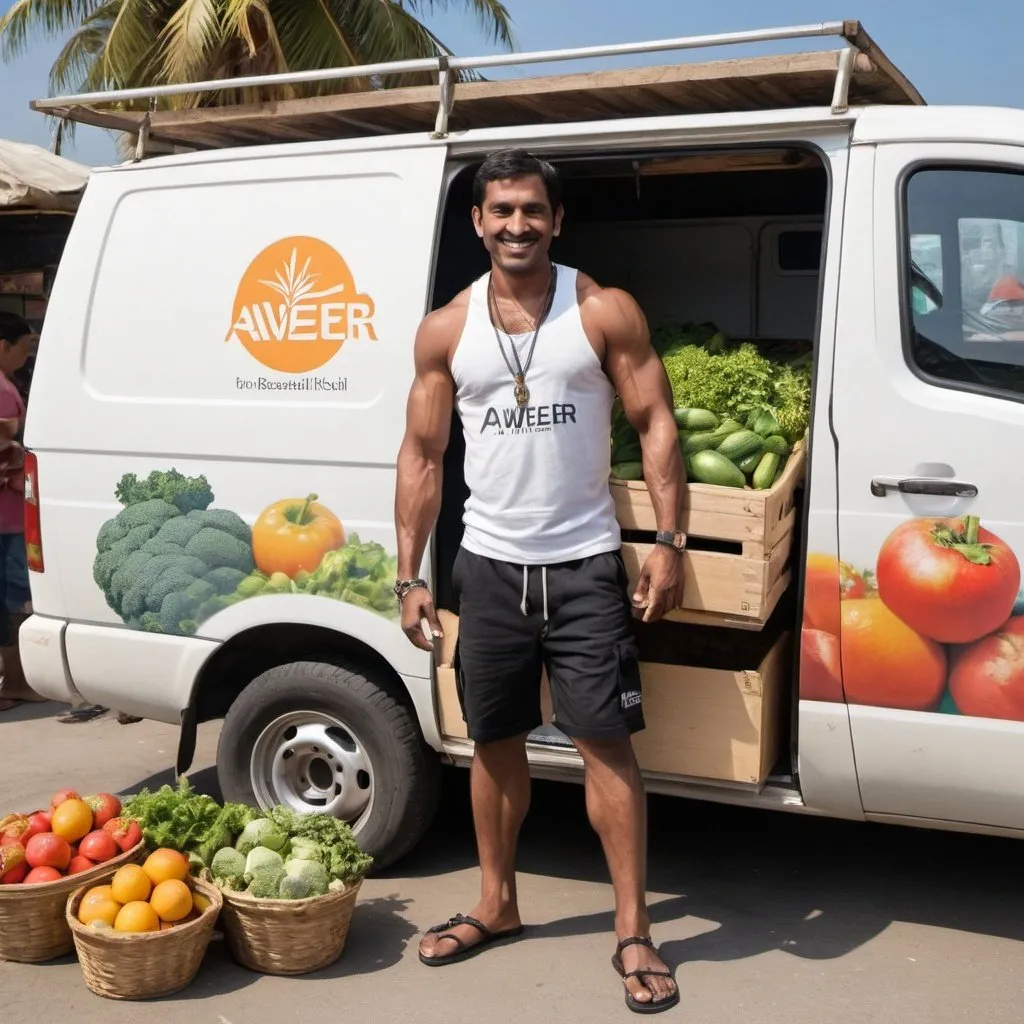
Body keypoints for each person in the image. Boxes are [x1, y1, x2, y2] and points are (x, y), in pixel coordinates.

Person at [394, 149, 687, 1013]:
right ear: (477, 223)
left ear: (557, 220)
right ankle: (499, 903)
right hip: (486, 567)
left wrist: (669, 538)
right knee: (493, 742)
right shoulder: (447, 328)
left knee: (606, 746)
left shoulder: (601, 311)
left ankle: (633, 930)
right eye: (500, 211)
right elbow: (422, 454)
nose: (516, 224)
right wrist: (408, 575)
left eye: (532, 210)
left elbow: (656, 421)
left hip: (586, 566)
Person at [0, 311, 46, 712]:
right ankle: (14, 681)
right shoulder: (1, 388)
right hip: (8, 517)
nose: (26, 356)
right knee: (15, 598)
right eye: (25, 348)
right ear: (4, 346)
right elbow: (6, 441)